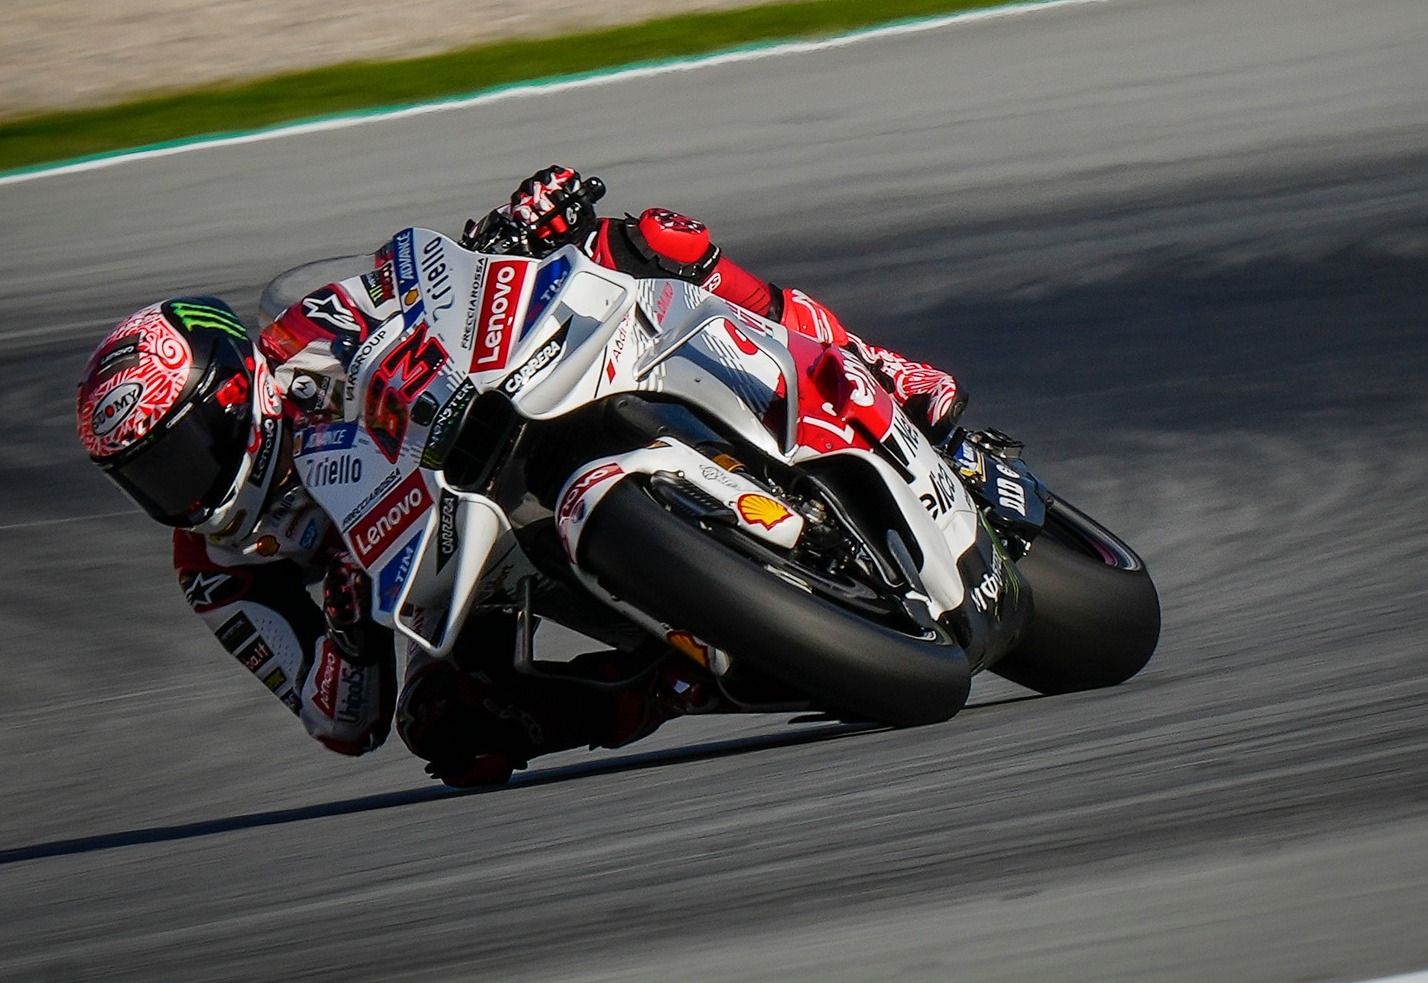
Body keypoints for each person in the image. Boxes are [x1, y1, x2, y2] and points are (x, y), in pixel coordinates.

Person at [74, 167, 964, 787]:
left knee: (644, 239)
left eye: (180, 452)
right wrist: (346, 634)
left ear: (233, 392)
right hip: (447, 583)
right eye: (146, 476)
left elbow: (417, 284)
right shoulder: (212, 566)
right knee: (451, 730)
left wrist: (513, 233)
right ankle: (676, 684)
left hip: (494, 424)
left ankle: (874, 365)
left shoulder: (301, 332)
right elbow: (336, 722)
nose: (177, 490)